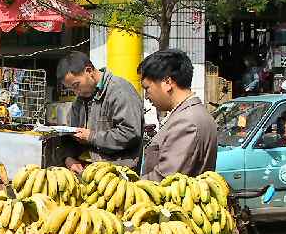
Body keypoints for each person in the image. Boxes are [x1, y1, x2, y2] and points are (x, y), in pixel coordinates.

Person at [56, 51, 144, 173]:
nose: (76, 92)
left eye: (76, 85)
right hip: (87, 173)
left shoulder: (120, 91)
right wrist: (68, 158)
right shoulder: (79, 101)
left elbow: (130, 134)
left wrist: (91, 136)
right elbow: (71, 137)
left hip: (117, 176)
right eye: (71, 89)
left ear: (89, 70)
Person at [139, 49, 217, 181]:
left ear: (167, 83)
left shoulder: (187, 122)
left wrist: (129, 187)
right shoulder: (188, 114)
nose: (146, 96)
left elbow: (165, 179)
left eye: (147, 88)